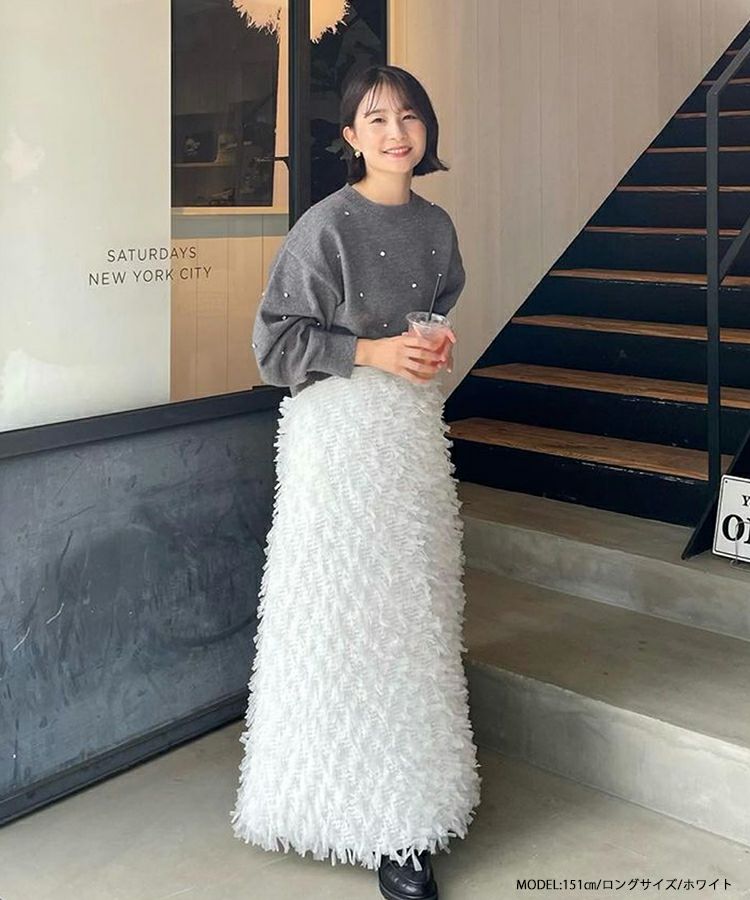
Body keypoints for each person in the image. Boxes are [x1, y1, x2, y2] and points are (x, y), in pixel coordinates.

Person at [230, 64, 482, 900]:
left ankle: (407, 811)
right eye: (376, 119)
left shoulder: (437, 226)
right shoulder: (326, 224)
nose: (395, 133)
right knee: (341, 616)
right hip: (337, 439)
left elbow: (435, 312)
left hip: (409, 435)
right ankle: (340, 803)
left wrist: (428, 349)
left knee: (413, 616)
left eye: (409, 116)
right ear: (349, 136)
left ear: (427, 129)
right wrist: (371, 351)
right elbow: (273, 346)